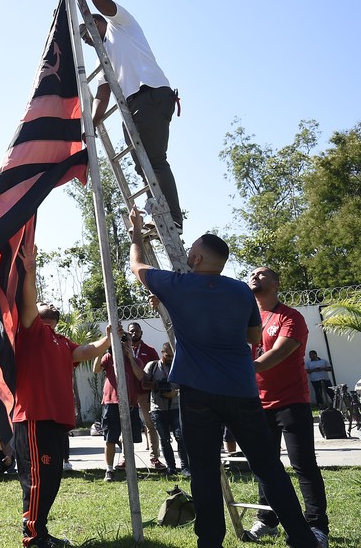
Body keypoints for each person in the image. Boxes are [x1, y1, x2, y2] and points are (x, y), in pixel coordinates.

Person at [129, 207, 322, 548]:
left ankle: (210, 542)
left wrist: (135, 234)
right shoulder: (241, 292)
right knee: (268, 467)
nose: (187, 255)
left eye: (191, 252)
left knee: (204, 470)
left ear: (197, 258)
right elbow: (253, 337)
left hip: (198, 393)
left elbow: (137, 266)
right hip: (241, 390)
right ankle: (303, 537)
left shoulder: (179, 285)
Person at [61, 0, 183, 230]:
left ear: (97, 20)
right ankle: (160, 213)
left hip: (151, 94)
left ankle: (172, 217)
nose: (89, 40)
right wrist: (90, 126)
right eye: (85, 40)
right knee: (142, 163)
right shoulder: (103, 58)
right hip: (137, 105)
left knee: (154, 160)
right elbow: (102, 96)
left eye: (89, 33)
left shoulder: (121, 24)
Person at [13, 244, 111, 548]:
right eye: (45, 304)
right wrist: (30, 271)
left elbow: (86, 351)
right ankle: (33, 536)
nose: (51, 305)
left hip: (56, 419)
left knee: (52, 477)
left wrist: (109, 338)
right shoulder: (31, 331)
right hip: (34, 416)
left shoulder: (61, 340)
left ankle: (40, 532)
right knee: (39, 477)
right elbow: (29, 303)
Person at [246, 267, 329, 545]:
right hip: (257, 403)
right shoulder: (247, 319)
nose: (254, 276)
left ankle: (317, 527)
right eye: (251, 273)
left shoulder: (291, 317)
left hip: (291, 402)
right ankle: (268, 521)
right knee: (265, 465)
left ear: (276, 283)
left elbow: (277, 354)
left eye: (262, 273)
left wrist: (239, 369)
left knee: (303, 464)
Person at [93, 327, 146, 481]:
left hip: (130, 405)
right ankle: (109, 470)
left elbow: (140, 376)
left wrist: (130, 358)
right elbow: (96, 369)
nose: (124, 343)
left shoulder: (136, 361)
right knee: (110, 438)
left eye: (126, 340)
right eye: (121, 340)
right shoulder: (109, 357)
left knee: (129, 439)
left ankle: (130, 467)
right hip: (111, 403)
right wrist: (102, 349)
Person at [142, 342, 189, 476]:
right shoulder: (152, 366)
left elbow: (187, 386)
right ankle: (171, 468)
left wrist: (175, 392)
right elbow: (144, 384)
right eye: (168, 356)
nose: (170, 358)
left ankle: (185, 468)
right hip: (158, 409)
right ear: (162, 353)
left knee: (180, 437)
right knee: (165, 439)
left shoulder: (179, 366)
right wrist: (158, 386)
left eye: (173, 356)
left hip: (176, 407)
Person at [127, 322, 164, 470]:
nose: (134, 333)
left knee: (150, 424)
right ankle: (125, 458)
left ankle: (154, 457)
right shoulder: (123, 350)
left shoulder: (149, 350)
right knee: (126, 425)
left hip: (144, 393)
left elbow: (157, 369)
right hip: (128, 392)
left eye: (137, 331)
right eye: (131, 331)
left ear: (141, 333)